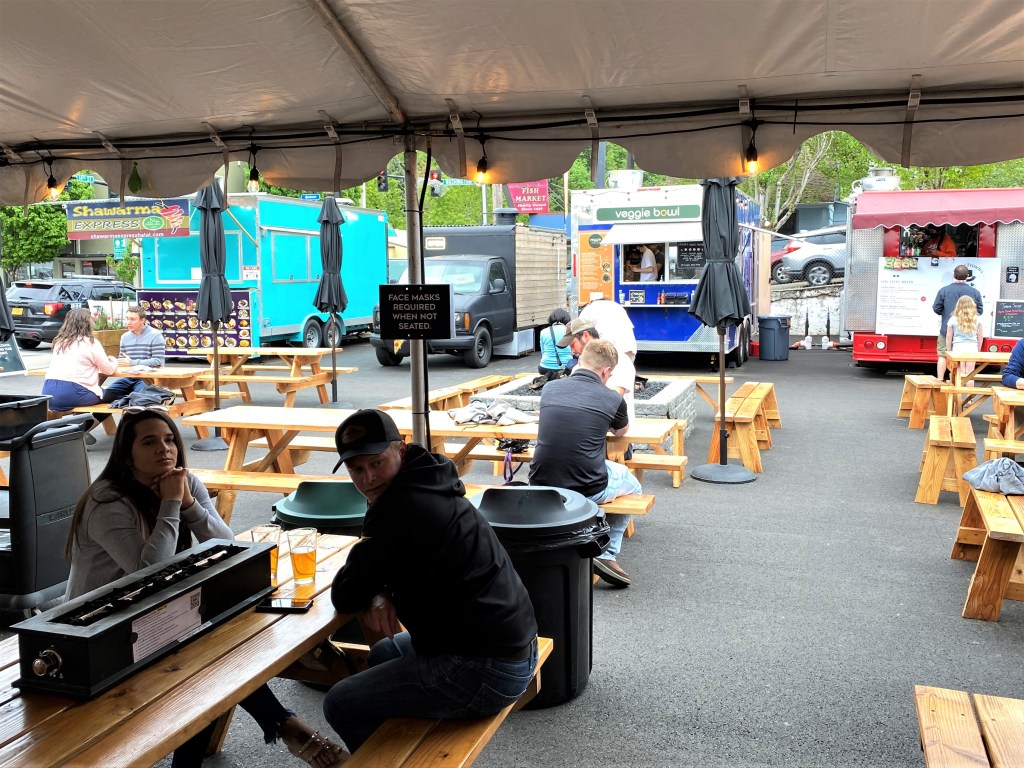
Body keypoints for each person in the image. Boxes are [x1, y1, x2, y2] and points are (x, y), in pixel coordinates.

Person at [65, 410, 347, 768]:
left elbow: (227, 542)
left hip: (152, 611)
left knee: (215, 655)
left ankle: (279, 727)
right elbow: (146, 571)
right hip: (96, 627)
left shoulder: (183, 481)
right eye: (149, 442)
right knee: (204, 666)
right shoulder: (106, 501)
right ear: (126, 455)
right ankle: (286, 725)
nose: (164, 449)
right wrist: (171, 503)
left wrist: (188, 503)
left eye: (169, 439)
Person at [323, 409, 538, 755]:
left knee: (339, 704)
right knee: (384, 651)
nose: (368, 478)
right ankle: (394, 752)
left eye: (377, 463)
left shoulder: (399, 507)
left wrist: (374, 587)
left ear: (401, 449)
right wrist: (378, 589)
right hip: (514, 649)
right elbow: (372, 571)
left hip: (486, 670)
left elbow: (345, 594)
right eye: (356, 469)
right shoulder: (430, 478)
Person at [529, 340, 641, 587]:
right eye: (609, 374)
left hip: (540, 482)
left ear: (580, 361)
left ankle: (573, 536)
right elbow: (621, 431)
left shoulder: (550, 388)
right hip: (588, 486)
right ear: (606, 371)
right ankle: (606, 554)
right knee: (633, 484)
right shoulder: (612, 398)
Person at [557, 317, 636, 424]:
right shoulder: (578, 366)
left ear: (585, 336)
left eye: (573, 345)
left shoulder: (618, 359)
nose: (572, 351)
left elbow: (614, 398)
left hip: (615, 431)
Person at [102, 305, 165, 403]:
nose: (128, 322)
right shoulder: (125, 337)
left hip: (147, 379)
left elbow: (158, 361)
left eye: (132, 319)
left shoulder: (155, 335)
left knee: (138, 399)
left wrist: (132, 362)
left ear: (142, 320)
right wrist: (113, 361)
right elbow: (122, 360)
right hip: (128, 378)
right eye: (127, 318)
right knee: (103, 396)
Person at [932, 265, 982, 382]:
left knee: (943, 355)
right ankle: (962, 384)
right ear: (968, 276)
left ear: (953, 275)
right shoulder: (975, 292)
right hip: (967, 332)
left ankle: (940, 380)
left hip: (946, 329)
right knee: (967, 367)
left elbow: (936, 308)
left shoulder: (944, 290)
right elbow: (980, 310)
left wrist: (946, 314)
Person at [945, 295, 983, 386]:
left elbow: (948, 337)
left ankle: (959, 394)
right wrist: (978, 350)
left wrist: (949, 351)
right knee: (970, 374)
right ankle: (969, 395)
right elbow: (980, 336)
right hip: (972, 347)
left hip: (958, 347)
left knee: (960, 372)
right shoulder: (977, 319)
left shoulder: (953, 319)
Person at [538, 307, 571, 375]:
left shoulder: (543, 331)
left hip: (545, 367)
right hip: (566, 367)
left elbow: (543, 352)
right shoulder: (569, 330)